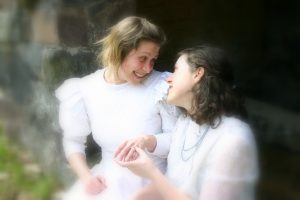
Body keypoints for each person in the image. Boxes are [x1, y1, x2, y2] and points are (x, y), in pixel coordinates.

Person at [55, 16, 179, 200]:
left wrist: (148, 140)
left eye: (153, 60)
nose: (147, 68)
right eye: (142, 58)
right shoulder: (86, 89)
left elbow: (177, 141)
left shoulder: (161, 87)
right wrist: (87, 177)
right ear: (118, 51)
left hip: (154, 184)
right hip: (108, 182)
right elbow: (73, 140)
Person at [116, 45, 259, 200]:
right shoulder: (186, 121)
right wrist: (145, 140)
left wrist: (151, 172)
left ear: (198, 74)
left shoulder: (233, 139)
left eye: (176, 70)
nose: (168, 78)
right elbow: (172, 183)